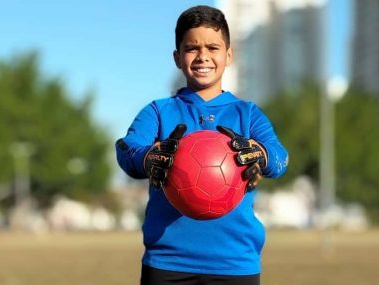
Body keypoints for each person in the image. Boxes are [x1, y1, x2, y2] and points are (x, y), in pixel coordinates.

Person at [116, 5, 289, 285]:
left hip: (236, 262)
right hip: (168, 261)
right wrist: (148, 156)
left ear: (229, 55)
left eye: (213, 47)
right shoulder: (159, 112)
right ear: (177, 57)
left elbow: (280, 158)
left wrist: (263, 156)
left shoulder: (248, 114)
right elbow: (126, 149)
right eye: (192, 48)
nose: (203, 56)